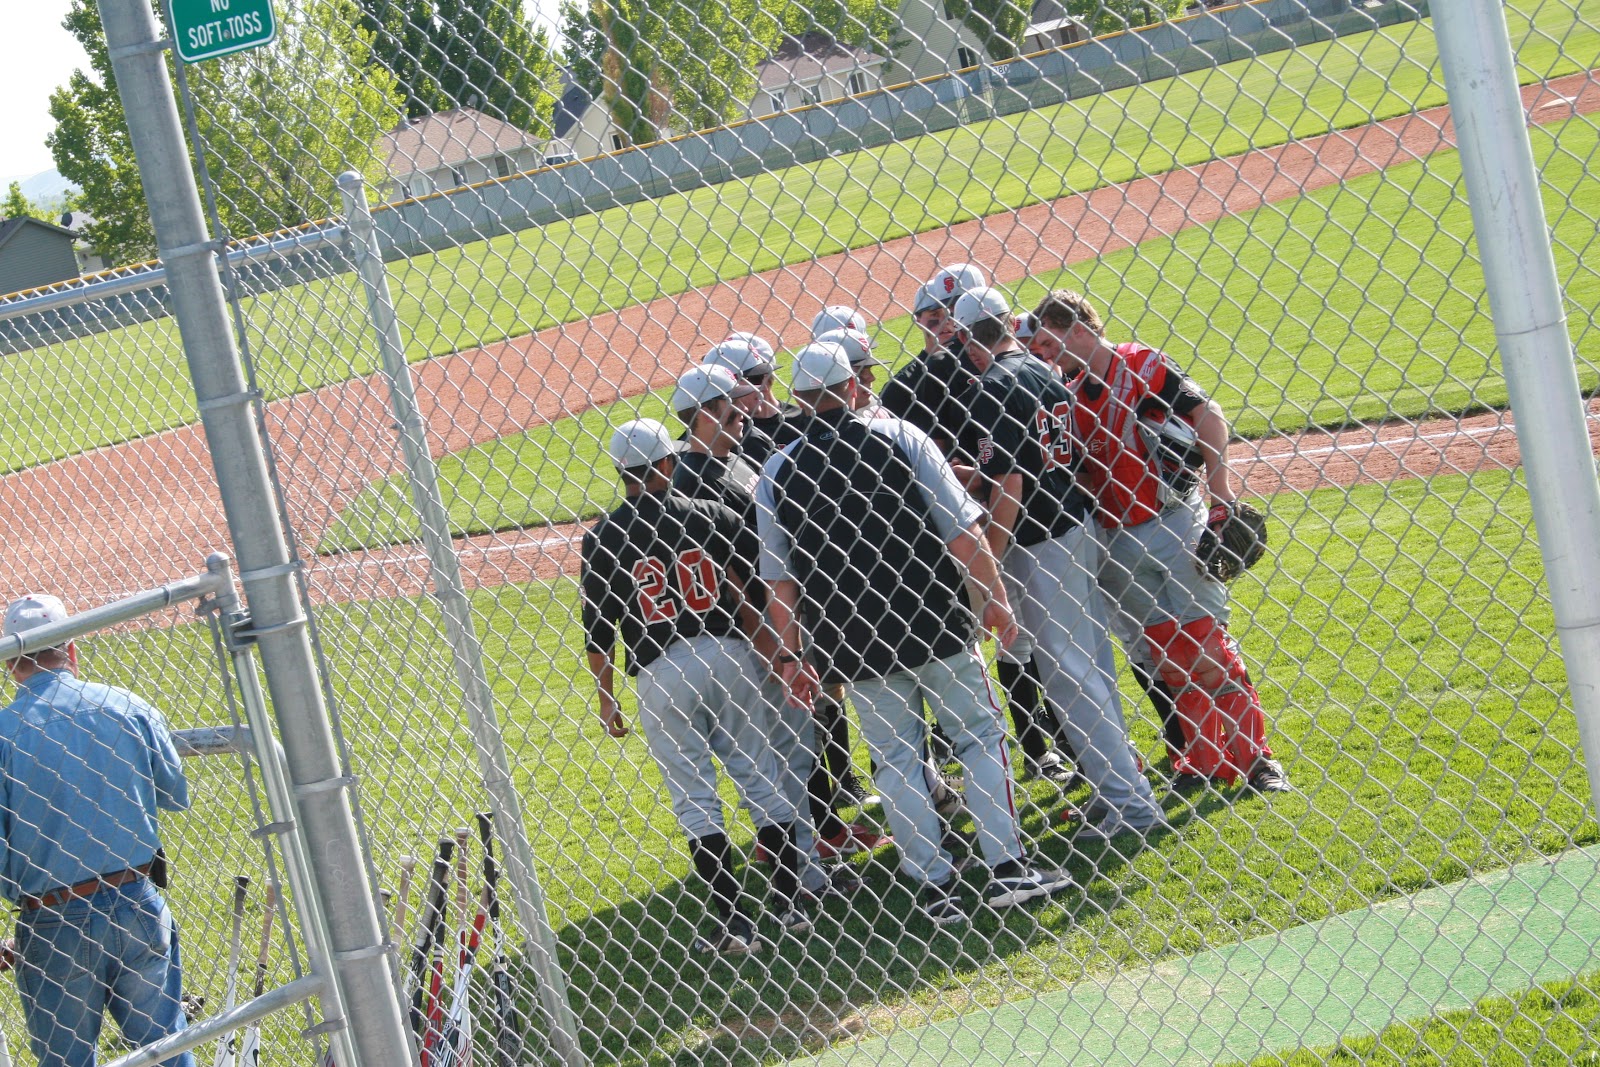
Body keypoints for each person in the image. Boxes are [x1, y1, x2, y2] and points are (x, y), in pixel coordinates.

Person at [756, 342, 1072, 924]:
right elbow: (962, 533)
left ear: (799, 401)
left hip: (849, 642)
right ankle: (1006, 867)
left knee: (896, 759)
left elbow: (780, 582)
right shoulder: (901, 436)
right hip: (935, 622)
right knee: (980, 735)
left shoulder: (777, 470)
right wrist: (997, 599)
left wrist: (794, 655)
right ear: (854, 387)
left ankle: (934, 885)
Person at [1028, 289, 1291, 794]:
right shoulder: (1064, 391)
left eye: (1048, 341)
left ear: (1078, 329)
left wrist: (1220, 496)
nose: (1044, 354)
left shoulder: (1141, 363)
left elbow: (1207, 415)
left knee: (1208, 647)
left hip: (1175, 523)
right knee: (1165, 656)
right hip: (1115, 539)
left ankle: (1258, 760)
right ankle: (1204, 761)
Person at [581, 419, 810, 953]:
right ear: (670, 463)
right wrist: (779, 654)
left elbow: (598, 631)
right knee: (760, 775)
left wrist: (607, 697)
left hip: (661, 672)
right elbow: (753, 587)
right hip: (729, 654)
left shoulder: (603, 538)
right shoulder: (710, 515)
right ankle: (792, 901)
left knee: (694, 797)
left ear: (621, 473)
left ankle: (732, 923)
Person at [951, 287, 1164, 838]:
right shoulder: (1042, 369)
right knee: (1091, 667)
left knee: (1070, 676)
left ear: (973, 343)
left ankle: (1129, 805)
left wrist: (988, 563)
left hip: (1040, 542)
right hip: (1077, 526)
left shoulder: (993, 386)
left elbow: (1012, 482)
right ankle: (1116, 788)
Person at [668, 366, 888, 872]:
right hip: (754, 633)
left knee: (799, 739)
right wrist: (774, 645)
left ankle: (817, 836)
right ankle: (803, 852)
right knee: (787, 745)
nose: (745, 411)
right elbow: (732, 577)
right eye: (732, 403)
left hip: (776, 620)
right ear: (704, 415)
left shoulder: (729, 461)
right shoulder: (696, 480)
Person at [0, 594, 196, 1067]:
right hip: (137, 900)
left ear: (10, 664)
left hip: (52, 918)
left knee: (66, 1060)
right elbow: (172, 793)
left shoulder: (4, 732)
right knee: (167, 1049)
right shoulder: (125, 705)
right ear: (70, 649)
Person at [704, 336, 878, 814]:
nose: (763, 390)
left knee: (829, 688)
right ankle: (813, 815)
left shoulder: (779, 431)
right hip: (766, 600)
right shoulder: (726, 454)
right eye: (751, 383)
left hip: (808, 581)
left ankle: (839, 784)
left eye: (766, 378)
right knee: (796, 707)